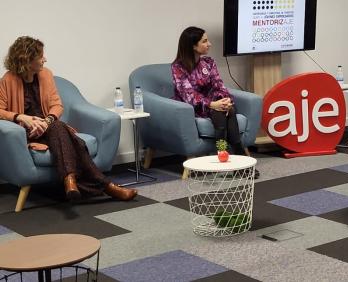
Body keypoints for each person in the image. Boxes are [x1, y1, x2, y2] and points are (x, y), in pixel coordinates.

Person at [0, 36, 137, 201]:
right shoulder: (8, 80)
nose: (45, 59)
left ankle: (70, 180)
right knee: (75, 141)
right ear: (27, 60)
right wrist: (21, 117)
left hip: (49, 127)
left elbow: (57, 105)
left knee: (57, 127)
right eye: (40, 56)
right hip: (27, 132)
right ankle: (106, 186)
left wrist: (47, 121)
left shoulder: (46, 74)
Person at [171, 26, 259, 179]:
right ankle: (237, 155)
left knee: (228, 110)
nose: (209, 44)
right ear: (193, 45)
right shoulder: (178, 67)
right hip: (193, 108)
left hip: (216, 105)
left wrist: (225, 101)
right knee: (223, 112)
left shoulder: (209, 63)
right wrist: (213, 104)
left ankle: (223, 154)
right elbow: (188, 95)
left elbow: (219, 85)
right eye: (204, 41)